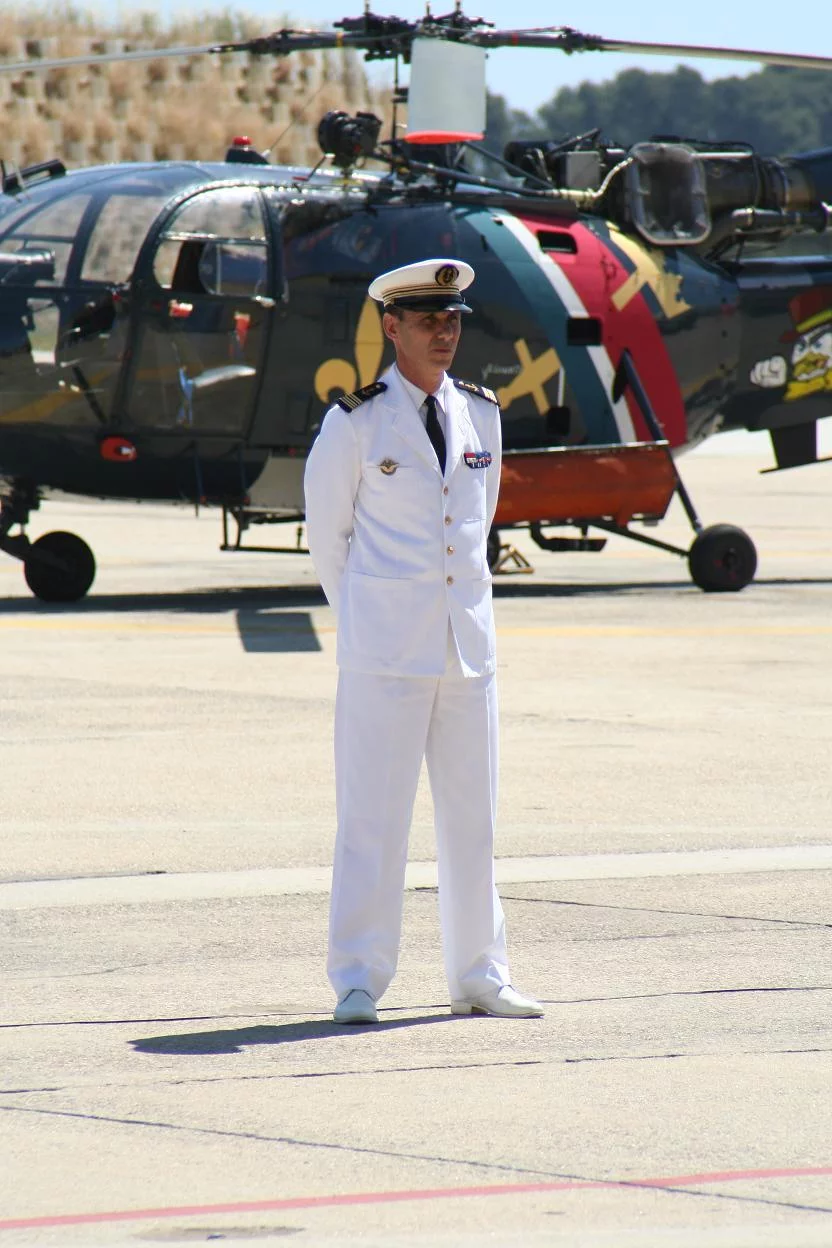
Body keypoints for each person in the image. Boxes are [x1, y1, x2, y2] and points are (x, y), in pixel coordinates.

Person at [303, 258, 543, 1024]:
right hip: (384, 654)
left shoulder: (483, 415)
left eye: (453, 321)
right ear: (391, 327)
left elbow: (478, 523)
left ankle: (480, 971)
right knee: (372, 816)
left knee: (474, 818)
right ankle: (358, 977)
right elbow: (327, 538)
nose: (444, 334)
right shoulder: (356, 422)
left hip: (467, 649)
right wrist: (372, 620)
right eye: (428, 321)